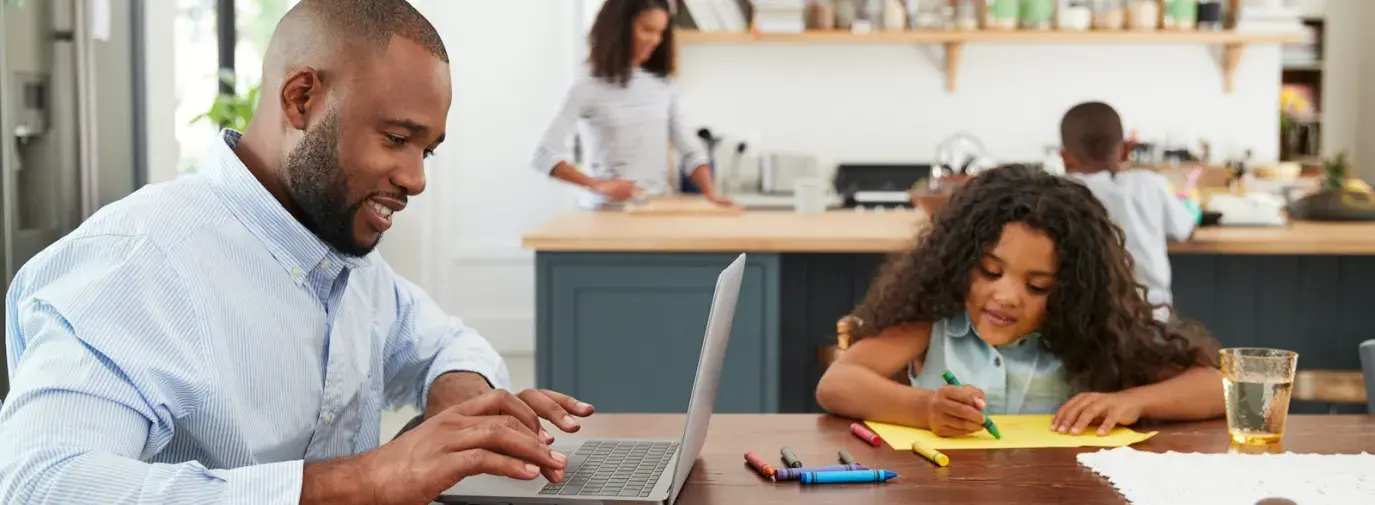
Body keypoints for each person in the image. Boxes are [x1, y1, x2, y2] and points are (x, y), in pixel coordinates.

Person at [0, 1, 592, 503]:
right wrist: (367, 478)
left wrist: (461, 412)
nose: (416, 179)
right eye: (396, 139)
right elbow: (40, 483)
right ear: (301, 98)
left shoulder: (341, 253)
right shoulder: (135, 265)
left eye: (427, 151)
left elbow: (448, 344)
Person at [814, 164, 1223, 438]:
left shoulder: (1091, 334)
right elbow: (838, 383)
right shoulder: (935, 323)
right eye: (991, 272)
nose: (1006, 297)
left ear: (1071, 290)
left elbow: (1219, 387)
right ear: (960, 263)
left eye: (1038, 286)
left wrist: (1131, 401)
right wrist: (924, 409)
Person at [532, 0, 734, 209]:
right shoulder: (589, 85)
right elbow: (545, 154)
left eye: (660, 32)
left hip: (654, 210)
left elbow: (691, 151)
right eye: (647, 30)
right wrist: (598, 185)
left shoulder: (664, 85)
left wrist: (711, 194)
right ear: (619, 27)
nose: (655, 40)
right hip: (605, 214)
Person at [1059, 101, 1198, 312]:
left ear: (1065, 157)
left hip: (1084, 320)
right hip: (1152, 317)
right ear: (1126, 150)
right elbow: (1184, 227)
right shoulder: (1149, 184)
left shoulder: (1059, 192)